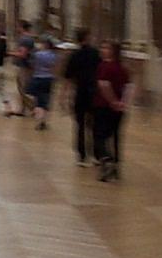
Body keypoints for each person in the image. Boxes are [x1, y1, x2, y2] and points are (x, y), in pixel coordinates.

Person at [93, 40, 132, 180]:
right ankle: (116, 165)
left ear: (113, 51)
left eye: (106, 48)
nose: (102, 50)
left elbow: (104, 85)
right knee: (116, 136)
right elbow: (128, 87)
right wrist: (123, 103)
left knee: (100, 135)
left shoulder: (104, 67)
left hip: (103, 105)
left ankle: (106, 159)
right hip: (118, 109)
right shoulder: (123, 68)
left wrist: (113, 101)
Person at [64, 28, 101, 164]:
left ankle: (81, 154)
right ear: (87, 37)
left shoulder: (74, 55)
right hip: (94, 91)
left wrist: (65, 95)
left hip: (80, 91)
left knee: (80, 124)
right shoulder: (95, 54)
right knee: (93, 124)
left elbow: (68, 77)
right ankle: (96, 154)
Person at [28, 37, 57, 129]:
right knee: (46, 100)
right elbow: (54, 67)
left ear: (45, 45)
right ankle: (44, 120)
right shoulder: (53, 55)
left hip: (37, 77)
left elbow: (32, 64)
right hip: (48, 78)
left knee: (36, 99)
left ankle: (38, 120)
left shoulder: (37, 54)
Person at [8, 19, 36, 115]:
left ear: (22, 27)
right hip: (27, 66)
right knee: (23, 88)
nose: (17, 28)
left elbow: (22, 54)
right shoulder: (29, 38)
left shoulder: (24, 39)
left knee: (23, 89)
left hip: (24, 66)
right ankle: (23, 109)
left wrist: (11, 53)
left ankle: (34, 107)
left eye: (18, 26)